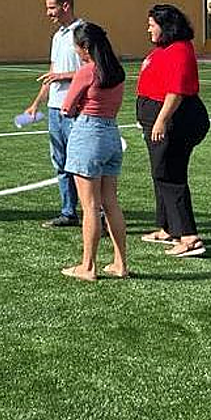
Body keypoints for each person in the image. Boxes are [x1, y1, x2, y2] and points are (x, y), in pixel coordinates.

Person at [136, 4, 210, 257]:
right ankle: (168, 228)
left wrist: (160, 120)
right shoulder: (165, 49)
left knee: (170, 174)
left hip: (176, 120)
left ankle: (190, 237)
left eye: (152, 25)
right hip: (158, 117)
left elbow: (176, 91)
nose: (148, 29)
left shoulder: (180, 51)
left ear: (166, 26)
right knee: (160, 173)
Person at [59, 23, 129, 281]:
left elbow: (67, 107)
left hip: (88, 132)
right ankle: (121, 263)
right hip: (111, 132)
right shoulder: (116, 70)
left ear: (86, 47)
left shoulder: (88, 71)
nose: (76, 51)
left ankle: (88, 266)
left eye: (77, 46)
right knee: (111, 203)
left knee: (90, 206)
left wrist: (75, 107)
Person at [24, 0, 84, 228]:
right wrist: (36, 103)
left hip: (76, 109)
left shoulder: (83, 32)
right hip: (54, 109)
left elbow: (93, 70)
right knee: (60, 163)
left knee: (82, 164)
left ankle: (98, 215)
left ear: (65, 6)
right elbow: (52, 73)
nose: (47, 13)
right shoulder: (58, 36)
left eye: (51, 8)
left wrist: (63, 76)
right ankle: (69, 212)